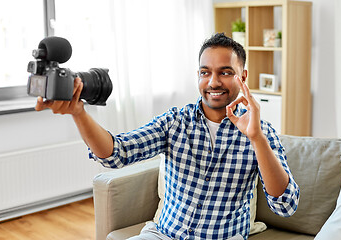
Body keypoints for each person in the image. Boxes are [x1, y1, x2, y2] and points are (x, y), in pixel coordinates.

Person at [35, 33, 299, 240]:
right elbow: (117, 153)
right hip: (162, 235)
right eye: (205, 72)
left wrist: (256, 138)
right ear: (198, 75)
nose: (213, 82)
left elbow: (285, 205)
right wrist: (79, 113)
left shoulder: (261, 132)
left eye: (225, 72)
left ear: (242, 77)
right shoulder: (174, 121)